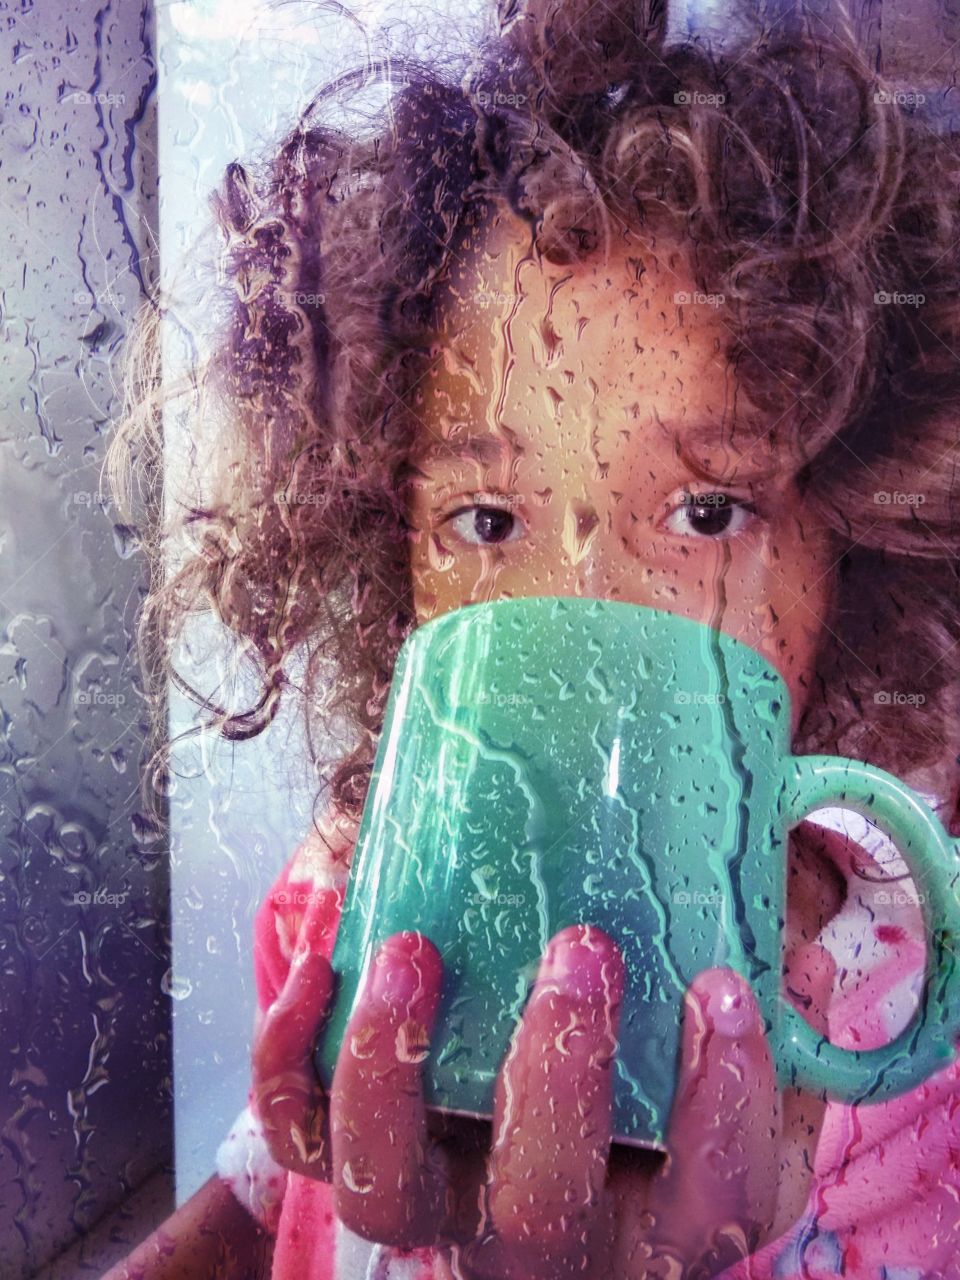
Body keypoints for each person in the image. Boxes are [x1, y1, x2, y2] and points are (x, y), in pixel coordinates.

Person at [105, 0, 960, 1274]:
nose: (585, 608)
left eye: (705, 510)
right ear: (388, 552)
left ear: (850, 538)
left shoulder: (907, 1014)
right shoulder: (349, 890)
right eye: (486, 515)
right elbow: (258, 1186)